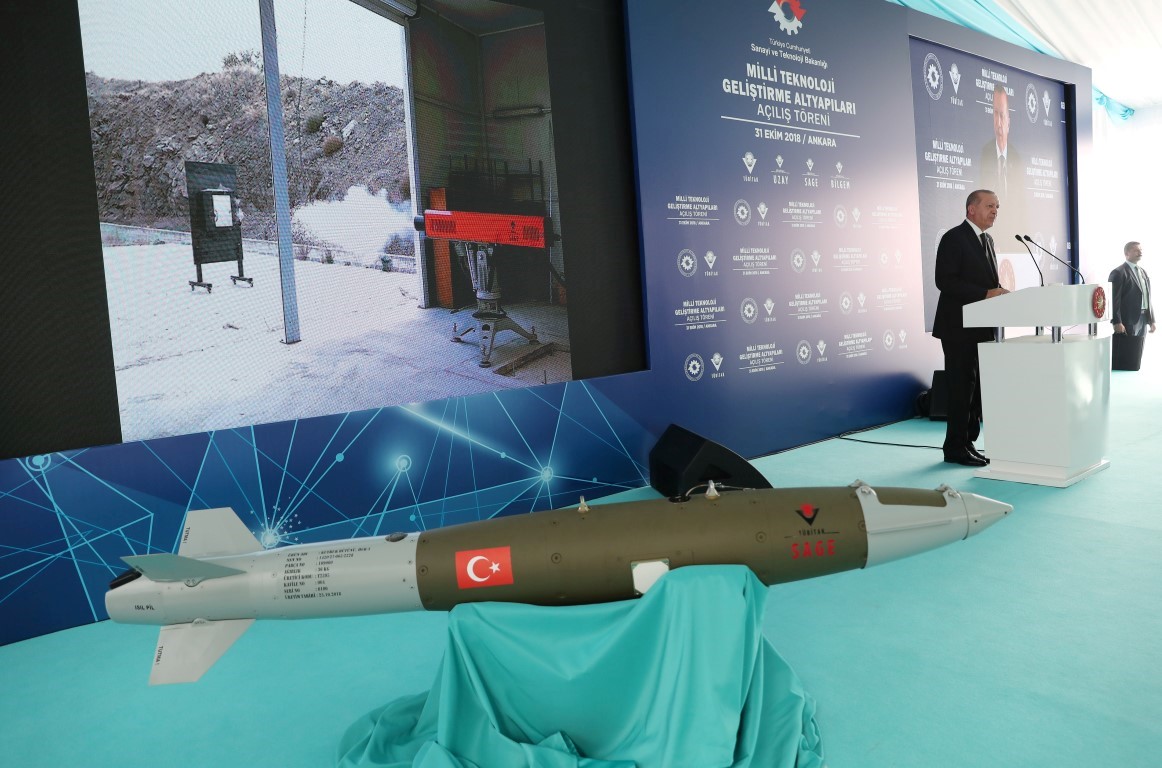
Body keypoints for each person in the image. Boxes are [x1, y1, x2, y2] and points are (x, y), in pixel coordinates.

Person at [933, 190, 1010, 466]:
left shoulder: (987, 240)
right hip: (958, 328)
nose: (995, 211)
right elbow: (945, 281)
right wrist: (986, 293)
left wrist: (996, 293)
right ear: (971, 209)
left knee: (975, 391)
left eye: (997, 206)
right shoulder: (954, 238)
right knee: (960, 389)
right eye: (990, 206)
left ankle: (968, 443)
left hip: (980, 327)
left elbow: (986, 281)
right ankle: (954, 447)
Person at [978, 85, 1024, 244]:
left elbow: (1021, 206)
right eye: (995, 114)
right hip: (990, 239)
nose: (998, 122)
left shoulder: (1017, 158)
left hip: (1013, 238)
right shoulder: (985, 154)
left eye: (1002, 115)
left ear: (1008, 122)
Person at [1109, 241, 1155, 371]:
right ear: (1126, 253)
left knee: (1136, 354)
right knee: (1126, 355)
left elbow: (1147, 297)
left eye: (1141, 250)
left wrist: (1151, 320)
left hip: (1143, 318)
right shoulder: (1118, 272)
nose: (1140, 252)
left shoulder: (1143, 272)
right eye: (1136, 250)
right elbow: (1114, 300)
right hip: (1128, 320)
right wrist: (1117, 321)